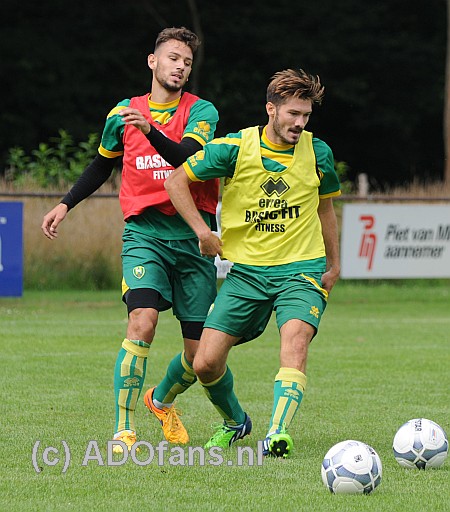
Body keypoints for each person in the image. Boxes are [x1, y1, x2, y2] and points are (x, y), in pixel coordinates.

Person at [41, 27, 220, 452]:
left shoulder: (202, 111)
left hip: (192, 238)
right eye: (173, 58)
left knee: (199, 359)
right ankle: (123, 428)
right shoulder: (122, 113)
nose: (180, 66)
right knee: (143, 320)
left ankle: (160, 400)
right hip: (145, 234)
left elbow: (185, 158)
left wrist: (151, 129)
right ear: (152, 61)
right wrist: (65, 204)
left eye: (187, 62)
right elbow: (102, 166)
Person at [164, 68, 341, 458]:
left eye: (306, 115)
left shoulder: (318, 152)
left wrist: (334, 263)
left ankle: (277, 432)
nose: (299, 122)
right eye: (293, 113)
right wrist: (202, 232)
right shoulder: (233, 148)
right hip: (246, 274)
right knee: (206, 363)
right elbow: (175, 181)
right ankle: (235, 421)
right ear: (271, 109)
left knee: (295, 340)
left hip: (301, 268)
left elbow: (325, 208)